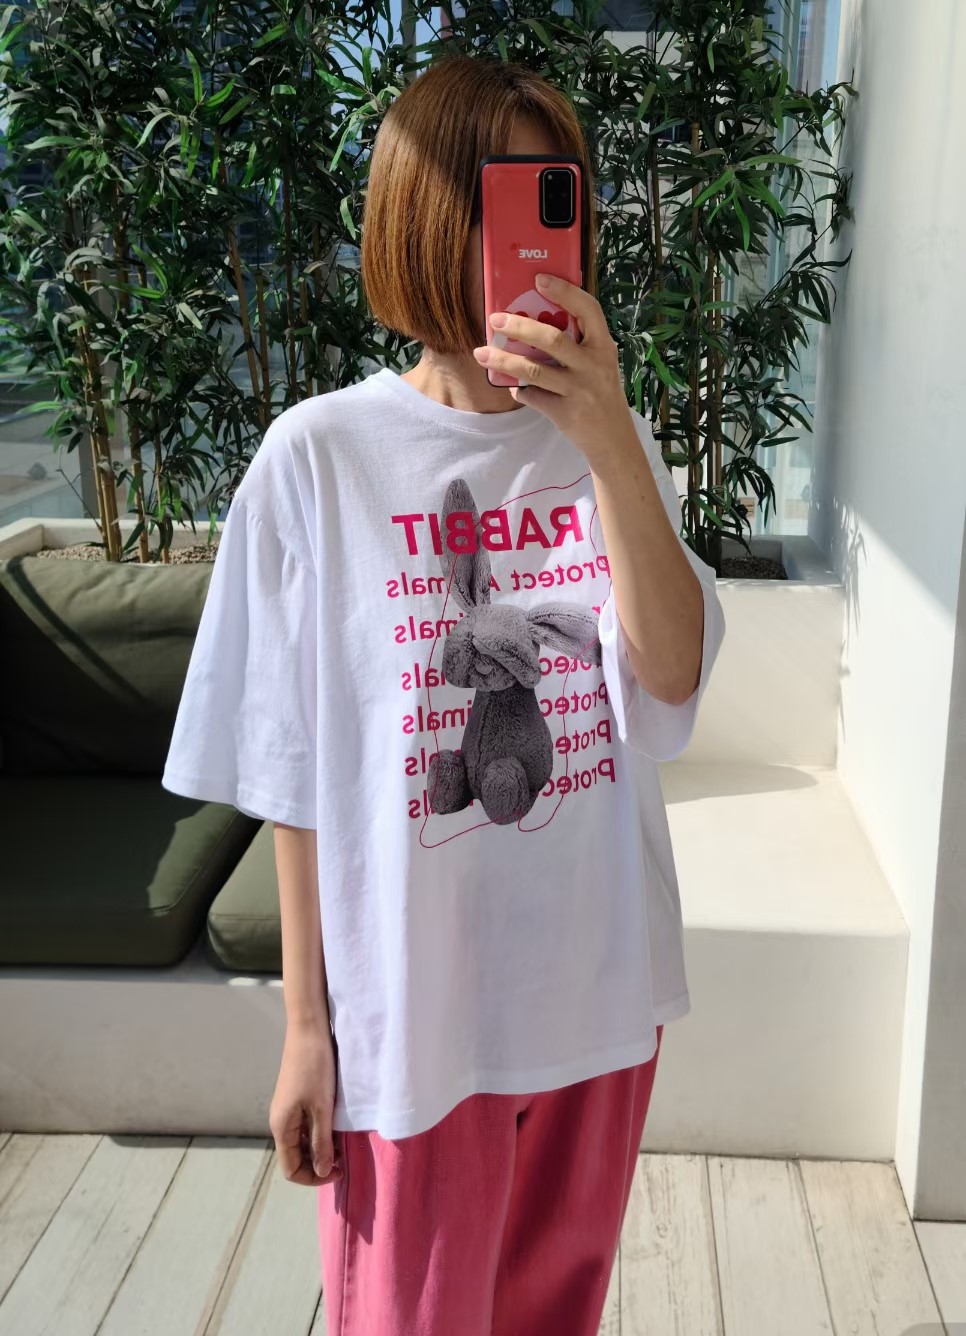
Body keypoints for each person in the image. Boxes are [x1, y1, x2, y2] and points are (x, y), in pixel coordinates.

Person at [162, 53, 725, 1336]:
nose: (533, 233)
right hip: (413, 1018)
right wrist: (307, 1028)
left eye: (554, 193)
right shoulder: (319, 459)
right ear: (422, 217)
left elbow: (671, 676)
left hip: (598, 994)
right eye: (499, 196)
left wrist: (611, 441)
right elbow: (294, 767)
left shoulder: (609, 443)